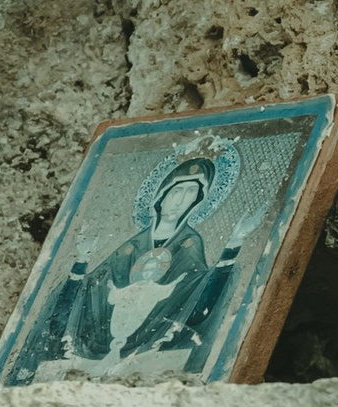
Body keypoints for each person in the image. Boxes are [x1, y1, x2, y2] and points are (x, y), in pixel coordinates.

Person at [26, 144, 245, 376]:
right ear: (161, 196)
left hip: (154, 338)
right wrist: (82, 259)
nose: (181, 201)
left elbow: (195, 289)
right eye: (176, 192)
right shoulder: (131, 247)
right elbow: (95, 288)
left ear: (198, 201)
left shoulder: (189, 243)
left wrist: (233, 245)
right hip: (102, 342)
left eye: (191, 193)